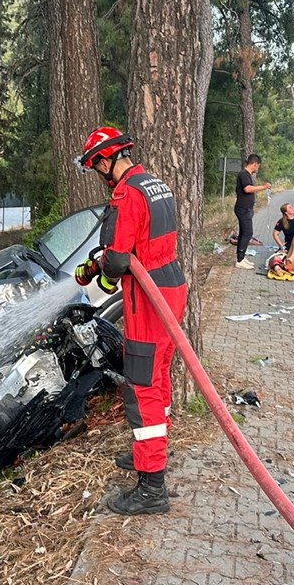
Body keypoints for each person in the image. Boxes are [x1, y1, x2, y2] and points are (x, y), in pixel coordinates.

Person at [73, 126, 187, 516]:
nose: (99, 175)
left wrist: (97, 271)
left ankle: (152, 486)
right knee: (160, 374)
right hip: (172, 287)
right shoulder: (156, 184)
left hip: (147, 297)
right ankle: (152, 451)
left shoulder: (125, 194)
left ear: (106, 160)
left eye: (96, 166)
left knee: (142, 386)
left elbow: (118, 260)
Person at [233, 154, 270, 269]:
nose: (257, 169)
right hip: (243, 209)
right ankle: (240, 260)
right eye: (257, 166)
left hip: (246, 208)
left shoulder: (247, 175)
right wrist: (264, 187)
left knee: (244, 233)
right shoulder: (243, 174)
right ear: (254, 164)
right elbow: (247, 189)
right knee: (248, 233)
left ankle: (241, 257)